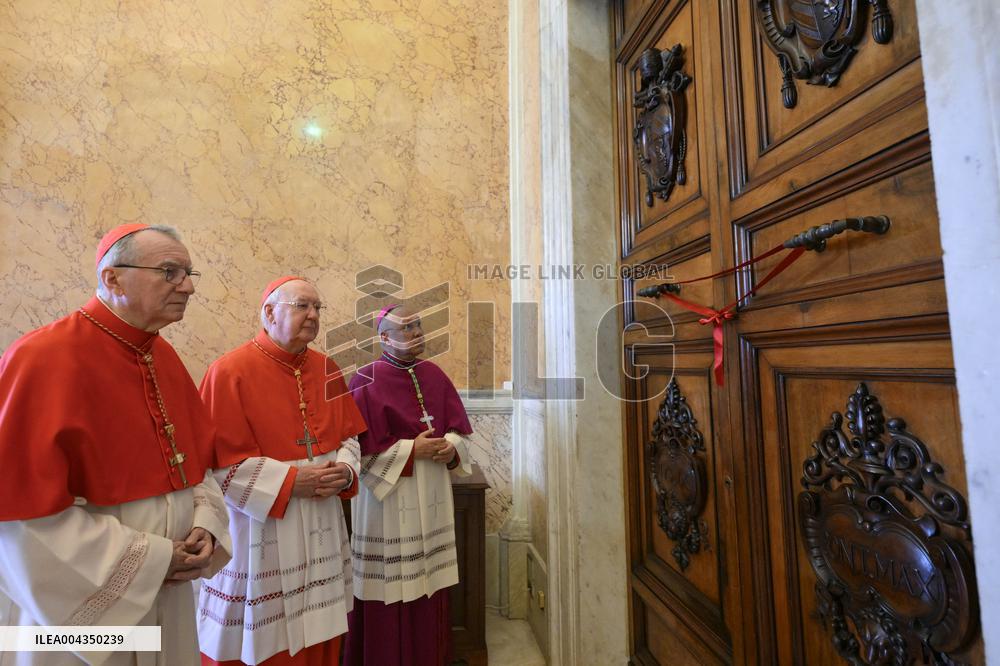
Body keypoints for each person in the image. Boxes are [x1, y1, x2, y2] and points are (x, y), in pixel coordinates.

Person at [0, 223, 232, 665]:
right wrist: (153, 560)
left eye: (187, 273)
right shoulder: (41, 359)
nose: (186, 286)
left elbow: (193, 468)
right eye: (169, 271)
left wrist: (205, 522)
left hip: (170, 590)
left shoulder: (162, 356)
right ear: (112, 278)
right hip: (88, 605)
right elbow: (19, 521)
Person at [196, 277, 367, 666]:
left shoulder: (326, 368)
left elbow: (350, 439)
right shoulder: (229, 371)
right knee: (259, 639)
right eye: (302, 306)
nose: (313, 315)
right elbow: (216, 466)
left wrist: (344, 470)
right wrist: (291, 482)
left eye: (318, 308)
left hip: (321, 519)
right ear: (270, 312)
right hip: (261, 528)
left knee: (320, 630)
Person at [344, 304, 474, 666]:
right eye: (407, 329)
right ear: (384, 338)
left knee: (429, 586)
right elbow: (358, 455)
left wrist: (451, 447)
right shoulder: (364, 381)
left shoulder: (434, 375)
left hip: (431, 493)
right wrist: (410, 449)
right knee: (386, 589)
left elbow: (460, 433)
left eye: (419, 326)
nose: (418, 334)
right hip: (388, 503)